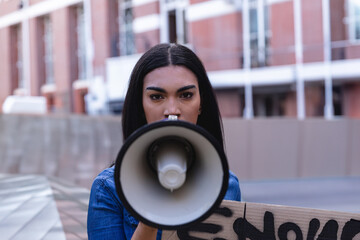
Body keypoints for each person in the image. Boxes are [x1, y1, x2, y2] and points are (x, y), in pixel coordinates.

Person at [87, 43, 241, 240]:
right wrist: (152, 212)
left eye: (186, 95)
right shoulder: (108, 189)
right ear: (141, 105)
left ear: (201, 104)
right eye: (157, 97)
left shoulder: (226, 185)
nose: (172, 110)